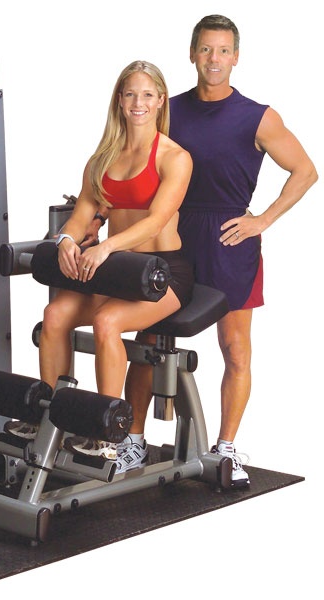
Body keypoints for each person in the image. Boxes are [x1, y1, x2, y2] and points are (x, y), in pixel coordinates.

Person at [111, 15, 318, 487]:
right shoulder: (168, 109)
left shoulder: (258, 117)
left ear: (236, 57)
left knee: (235, 348)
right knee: (148, 340)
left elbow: (306, 170)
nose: (214, 59)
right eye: (206, 49)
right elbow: (132, 161)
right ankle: (133, 441)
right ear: (192, 54)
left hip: (229, 239)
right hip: (173, 234)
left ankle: (225, 448)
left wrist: (262, 220)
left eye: (223, 50)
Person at [33, 60, 194, 474]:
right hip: (118, 269)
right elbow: (81, 215)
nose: (138, 103)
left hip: (162, 273)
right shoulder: (102, 158)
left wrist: (105, 248)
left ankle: (111, 439)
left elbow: (156, 221)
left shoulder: (175, 157)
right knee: (54, 315)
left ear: (160, 100)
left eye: (147, 95)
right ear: (119, 101)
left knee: (107, 323)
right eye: (130, 94)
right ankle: (53, 425)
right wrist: (66, 241)